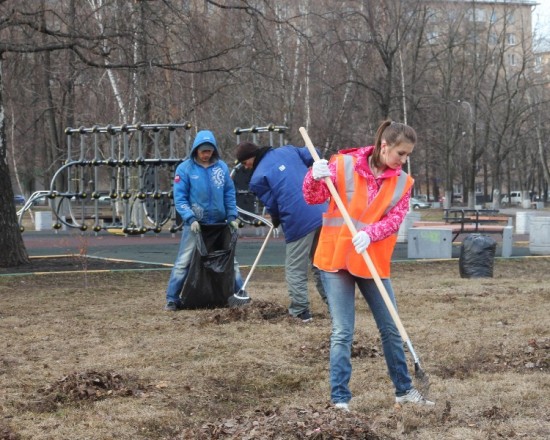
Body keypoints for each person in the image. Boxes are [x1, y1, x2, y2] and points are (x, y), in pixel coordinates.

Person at [302, 120, 434, 410]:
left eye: (408, 155)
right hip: (336, 260)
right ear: (384, 146)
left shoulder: (403, 182)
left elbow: (394, 220)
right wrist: (314, 175)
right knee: (343, 332)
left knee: (391, 328)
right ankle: (340, 400)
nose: (404, 160)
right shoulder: (342, 164)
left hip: (371, 259)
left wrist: (369, 233)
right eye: (401, 153)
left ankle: (404, 391)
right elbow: (313, 197)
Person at [234, 141, 328, 322]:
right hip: (323, 211)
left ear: (251, 158)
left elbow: (273, 205)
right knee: (321, 263)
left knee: (295, 268)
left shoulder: (257, 179)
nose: (246, 167)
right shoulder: (288, 150)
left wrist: (276, 218)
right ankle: (335, 306)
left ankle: (300, 311)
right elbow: (314, 152)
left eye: (245, 163)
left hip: (298, 220)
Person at [165, 130, 248, 311]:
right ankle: (172, 298)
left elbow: (228, 193)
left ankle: (240, 293)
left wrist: (232, 216)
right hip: (196, 225)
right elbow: (180, 198)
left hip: (220, 224)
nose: (206, 155)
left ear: (213, 151)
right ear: (196, 150)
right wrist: (190, 218)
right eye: (203, 151)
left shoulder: (221, 168)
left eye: (209, 151)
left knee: (230, 261)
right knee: (184, 261)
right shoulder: (185, 169)